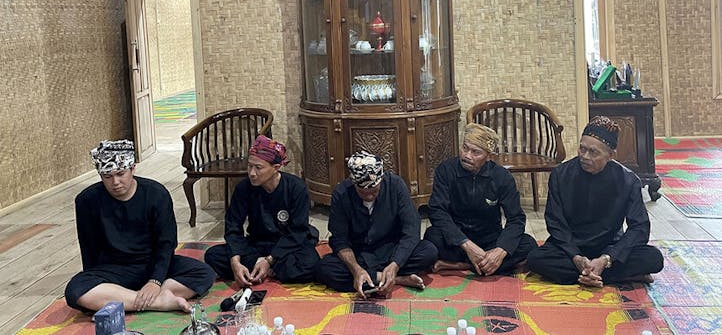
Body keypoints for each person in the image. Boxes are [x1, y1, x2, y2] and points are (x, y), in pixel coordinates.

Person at [65, 140, 216, 313]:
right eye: (108, 176)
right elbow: (88, 248)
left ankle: (121, 301)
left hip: (151, 264)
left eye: (121, 173)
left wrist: (155, 281)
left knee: (204, 273)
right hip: (113, 270)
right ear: (101, 176)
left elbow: (166, 244)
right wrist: (93, 284)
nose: (115, 182)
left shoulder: (156, 194)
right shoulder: (87, 200)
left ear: (133, 168)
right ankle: (159, 302)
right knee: (75, 290)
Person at [527, 116, 664, 287]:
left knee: (654, 258)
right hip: (570, 249)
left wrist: (607, 259)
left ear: (610, 155)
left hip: (608, 248)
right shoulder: (561, 174)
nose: (584, 156)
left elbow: (639, 228)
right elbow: (555, 223)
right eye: (582, 149)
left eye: (593, 152)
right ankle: (608, 276)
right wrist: (576, 257)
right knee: (535, 259)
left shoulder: (628, 180)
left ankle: (588, 275)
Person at [314, 151, 437, 298]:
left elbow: (411, 230)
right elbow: (340, 240)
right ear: (354, 185)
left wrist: (395, 265)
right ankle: (397, 280)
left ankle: (379, 277)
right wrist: (356, 270)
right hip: (359, 254)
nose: (369, 196)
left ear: (381, 180)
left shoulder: (396, 186)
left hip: (390, 250)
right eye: (363, 193)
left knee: (429, 251)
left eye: (374, 191)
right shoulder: (341, 194)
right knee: (324, 269)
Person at [204, 135, 320, 286]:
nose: (252, 173)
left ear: (276, 168)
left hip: (287, 245)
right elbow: (233, 227)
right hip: (257, 244)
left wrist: (269, 260)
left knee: (310, 265)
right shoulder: (243, 188)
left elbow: (297, 232)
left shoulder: (296, 188)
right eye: (249, 166)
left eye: (258, 168)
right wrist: (235, 262)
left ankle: (264, 268)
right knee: (213, 256)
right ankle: (266, 269)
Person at [424, 123, 537, 276]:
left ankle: (461, 266)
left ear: (489, 157)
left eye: (475, 152)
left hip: (489, 238)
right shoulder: (446, 170)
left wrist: (500, 252)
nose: (467, 155)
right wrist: (467, 245)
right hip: (458, 240)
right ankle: (482, 265)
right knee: (431, 239)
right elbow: (437, 211)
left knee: (529, 245)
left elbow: (516, 219)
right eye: (465, 148)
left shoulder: (502, 177)